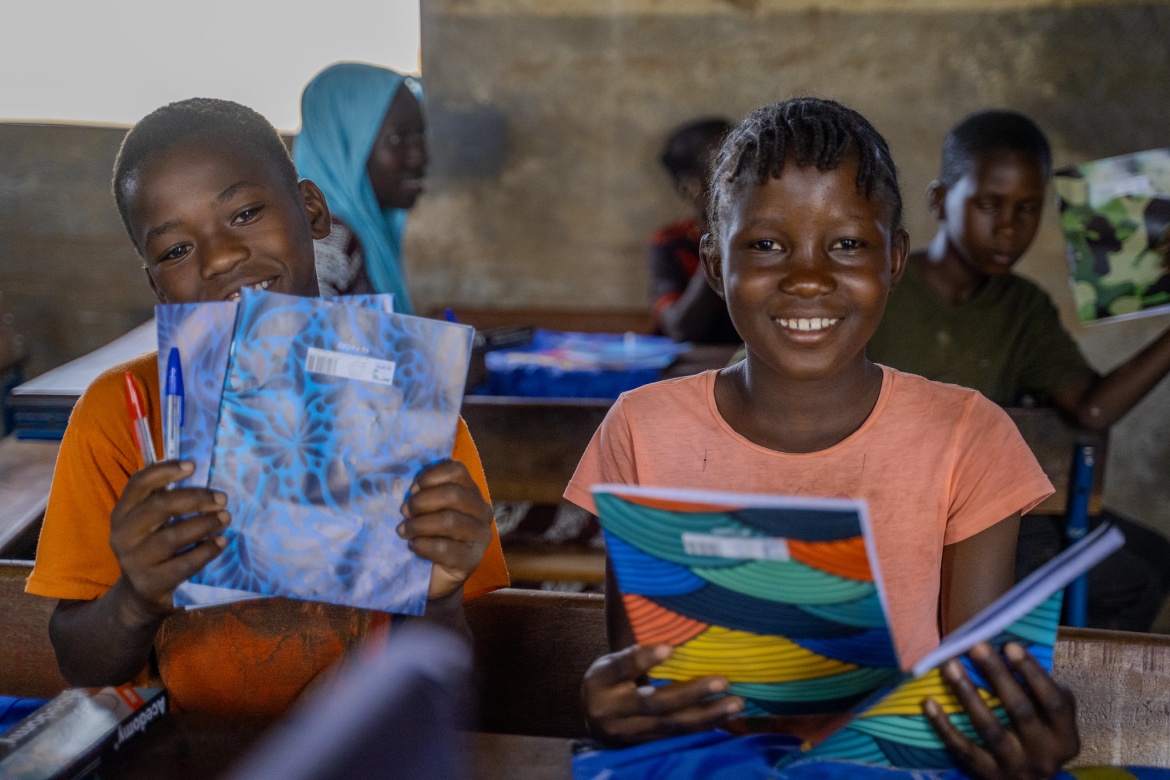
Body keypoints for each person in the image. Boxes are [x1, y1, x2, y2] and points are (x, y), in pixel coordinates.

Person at [566, 98, 1079, 778]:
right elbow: (650, 696)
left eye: (847, 244)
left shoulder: (969, 435)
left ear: (894, 260)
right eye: (768, 245)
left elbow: (968, 692)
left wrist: (1018, 749)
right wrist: (614, 714)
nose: (808, 277)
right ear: (716, 265)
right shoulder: (643, 427)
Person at [25, 98, 508, 717]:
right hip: (194, 755)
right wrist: (135, 599)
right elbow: (81, 662)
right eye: (174, 250)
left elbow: (457, 672)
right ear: (154, 282)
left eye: (246, 213)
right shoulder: (122, 414)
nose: (221, 257)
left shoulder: (409, 404)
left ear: (311, 209)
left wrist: (439, 594)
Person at [868, 110, 1170, 429]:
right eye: (988, 205)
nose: (1009, 228)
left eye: (1026, 209)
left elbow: (1092, 410)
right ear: (939, 200)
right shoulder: (877, 285)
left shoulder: (1024, 309)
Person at [294, 62, 426, 312]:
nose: (420, 156)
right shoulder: (326, 242)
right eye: (398, 139)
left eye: (421, 135)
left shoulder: (368, 236)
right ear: (343, 146)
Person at [650, 118, 740, 344]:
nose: (742, 175)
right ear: (691, 186)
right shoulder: (672, 242)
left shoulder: (766, 235)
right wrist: (720, 239)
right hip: (699, 363)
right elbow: (679, 329)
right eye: (726, 167)